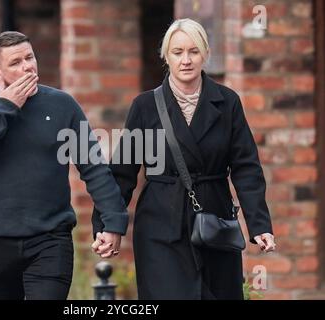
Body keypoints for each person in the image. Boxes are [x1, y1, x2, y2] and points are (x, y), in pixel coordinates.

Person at [92, 18, 276, 300]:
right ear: (166, 56)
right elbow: (122, 173)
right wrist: (108, 226)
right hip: (160, 225)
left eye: (194, 51)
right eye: (178, 52)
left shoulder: (227, 102)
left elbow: (246, 166)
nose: (186, 60)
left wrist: (259, 224)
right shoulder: (145, 106)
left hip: (215, 222)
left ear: (205, 54)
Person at [0, 31, 128, 300]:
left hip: (51, 241)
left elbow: (93, 167)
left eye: (29, 57)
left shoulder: (62, 105)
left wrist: (113, 221)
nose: (27, 67)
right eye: (16, 62)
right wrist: (6, 106)